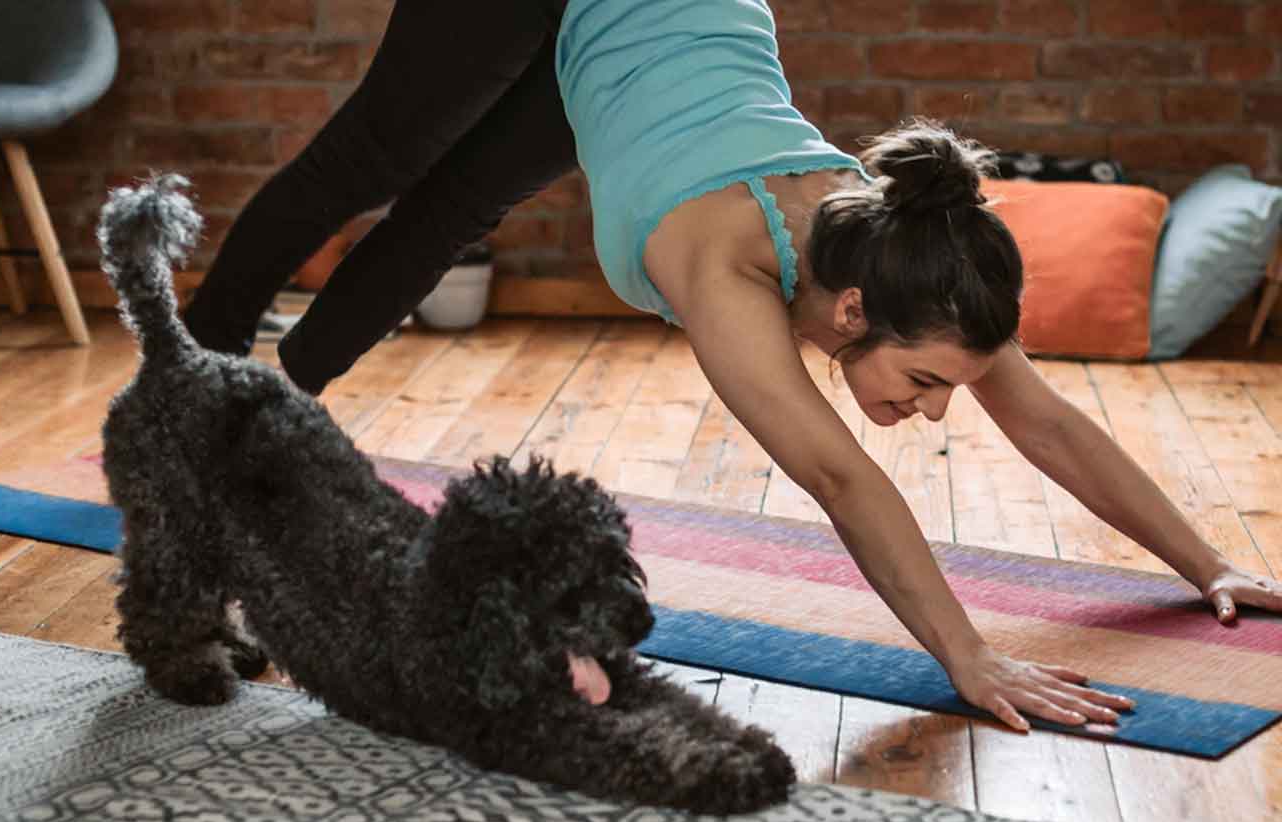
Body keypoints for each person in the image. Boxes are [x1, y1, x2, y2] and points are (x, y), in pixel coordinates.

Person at [178, 0, 1282, 732]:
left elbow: (1047, 421)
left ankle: (273, 398)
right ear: (849, 312)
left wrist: (1205, 564)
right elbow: (845, 479)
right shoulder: (727, 273)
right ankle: (190, 376)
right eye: (929, 384)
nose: (940, 411)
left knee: (449, 211)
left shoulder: (901, 250)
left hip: (636, 22)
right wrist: (970, 657)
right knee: (373, 157)